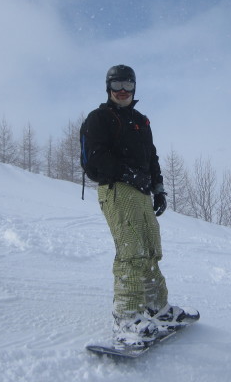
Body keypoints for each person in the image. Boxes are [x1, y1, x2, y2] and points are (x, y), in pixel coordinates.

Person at [81, 64, 199, 348]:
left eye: (128, 86)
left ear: (135, 88)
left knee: (150, 250)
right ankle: (127, 317)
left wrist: (158, 188)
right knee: (131, 251)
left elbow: (152, 157)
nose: (123, 91)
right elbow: (93, 160)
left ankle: (156, 308)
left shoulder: (141, 121)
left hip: (142, 193)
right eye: (117, 85)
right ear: (108, 88)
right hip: (117, 190)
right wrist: (126, 173)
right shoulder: (99, 118)